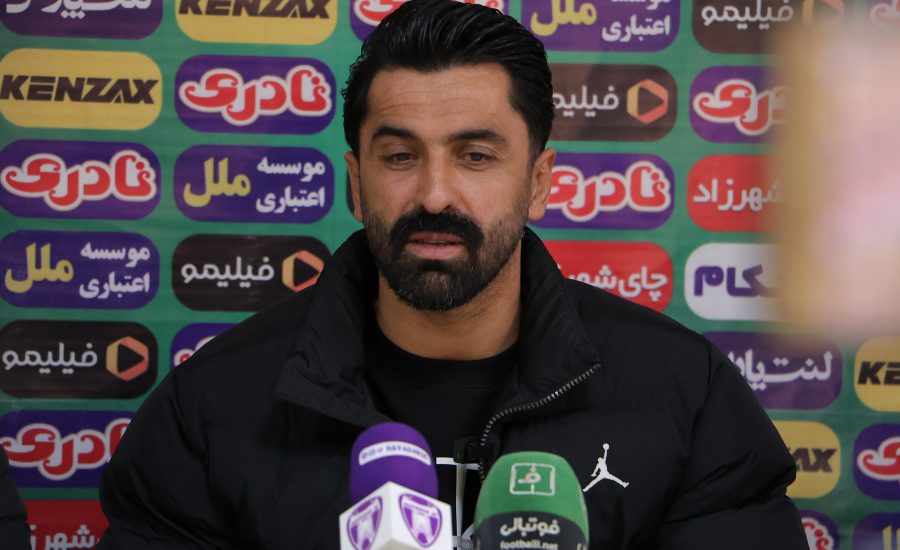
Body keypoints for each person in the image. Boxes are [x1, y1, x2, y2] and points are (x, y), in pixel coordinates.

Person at [98, 1, 807, 547]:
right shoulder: (212, 407)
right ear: (356, 183)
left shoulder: (685, 396)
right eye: (400, 157)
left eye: (475, 156)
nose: (435, 195)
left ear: (538, 182)